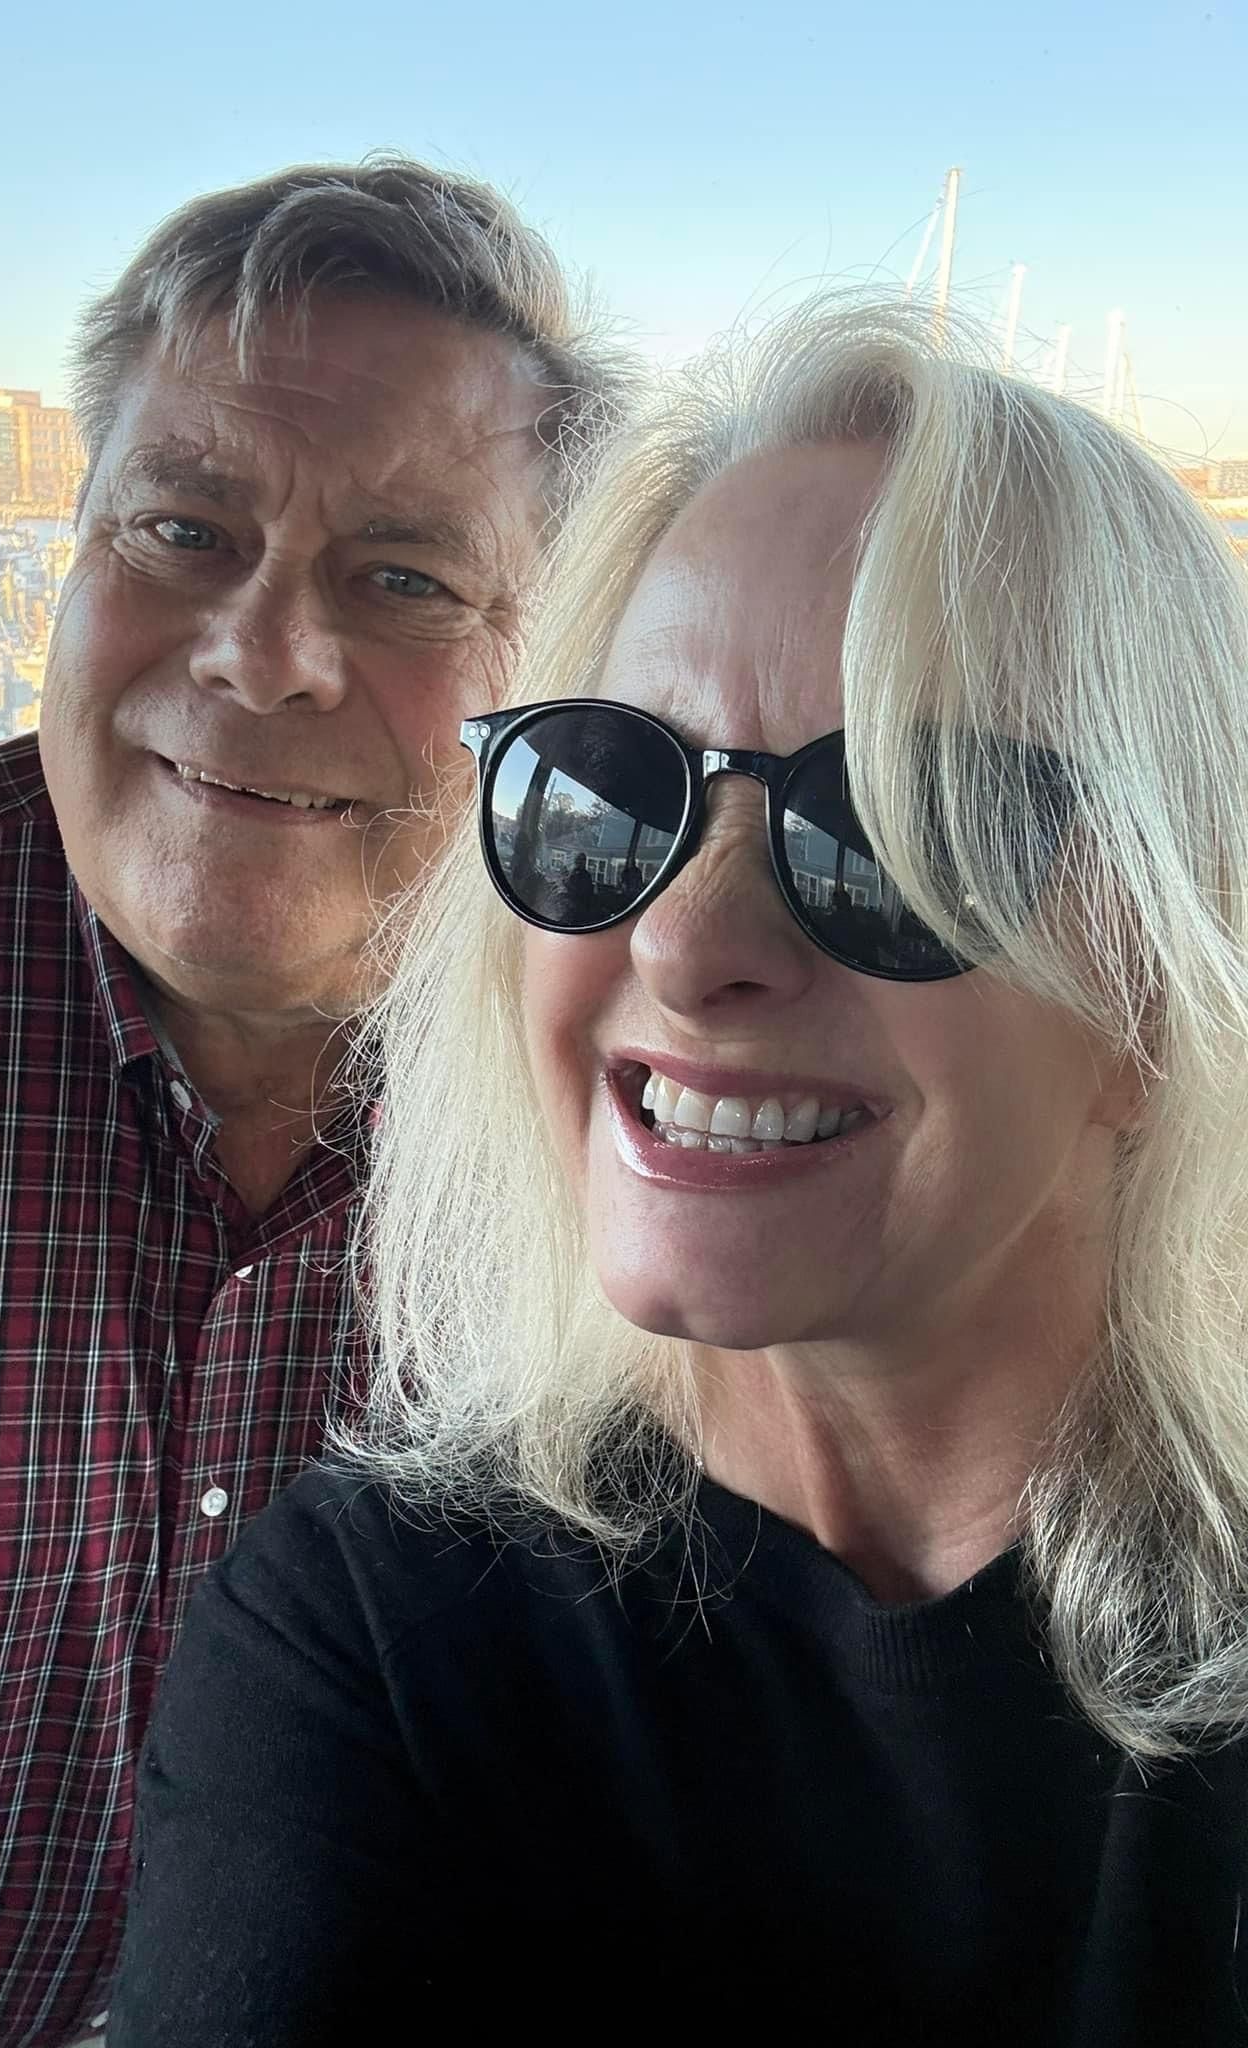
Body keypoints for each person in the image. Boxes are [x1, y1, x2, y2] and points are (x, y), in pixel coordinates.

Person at [109, 299, 1248, 2046]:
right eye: (611, 792)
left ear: (1154, 980)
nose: (686, 940)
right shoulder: (376, 1641)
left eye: (889, 828)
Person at [0, 160, 624, 2048]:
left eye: (401, 578)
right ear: (69, 562)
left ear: (550, 668)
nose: (260, 652)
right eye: (184, 533)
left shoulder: (650, 1066)